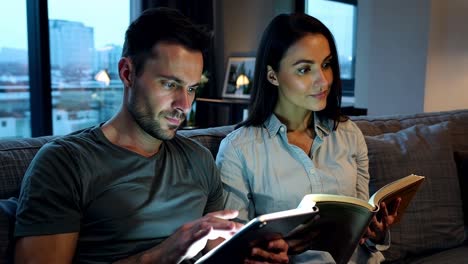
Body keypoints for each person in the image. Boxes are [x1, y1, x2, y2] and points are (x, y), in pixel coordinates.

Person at [14, 8, 289, 264]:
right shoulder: (64, 163)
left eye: (192, 88)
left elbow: (214, 248)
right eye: (170, 84)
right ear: (127, 73)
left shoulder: (199, 159)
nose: (184, 104)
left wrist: (251, 251)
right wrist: (164, 254)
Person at [216, 13, 400, 264]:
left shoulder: (348, 134)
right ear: (272, 76)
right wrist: (277, 249)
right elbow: (233, 249)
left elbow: (362, 221)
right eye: (305, 69)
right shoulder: (238, 150)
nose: (323, 81)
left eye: (326, 64)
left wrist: (376, 232)